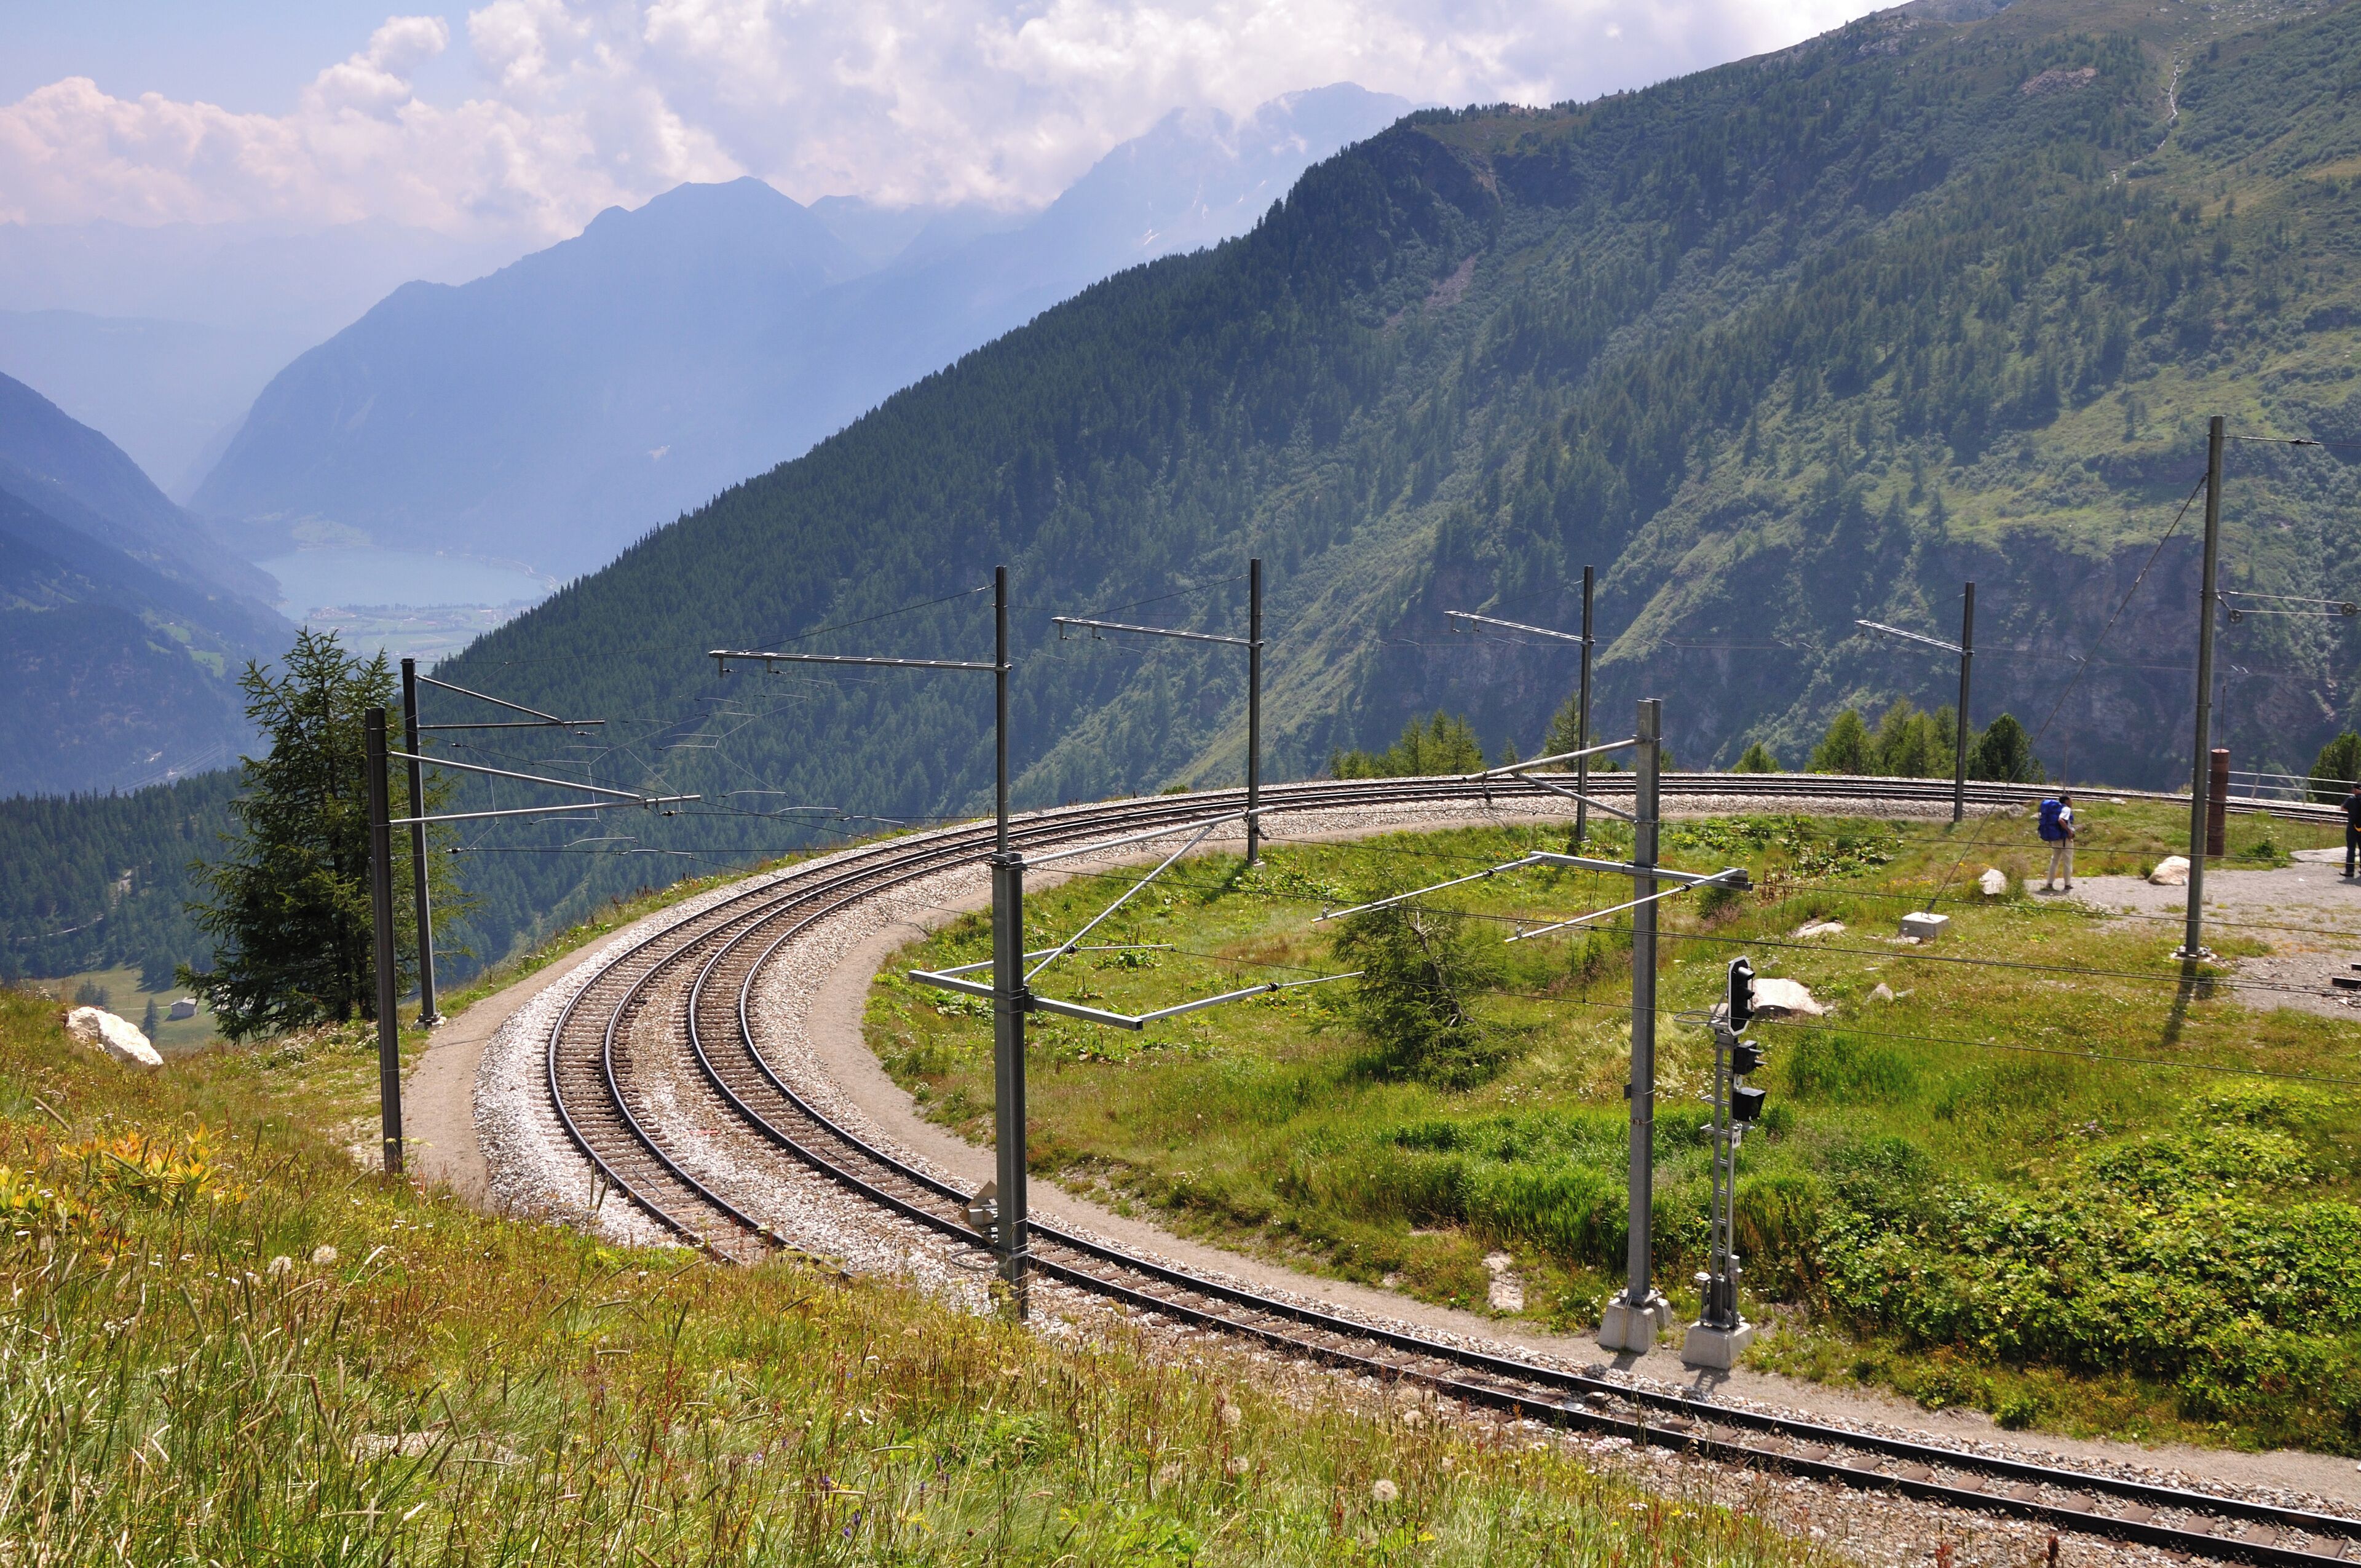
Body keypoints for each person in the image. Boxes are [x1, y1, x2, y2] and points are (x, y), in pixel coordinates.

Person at [2042, 791, 2075, 892]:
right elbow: (2061, 820)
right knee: (2067, 862)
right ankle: (2067, 884)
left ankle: (2049, 884)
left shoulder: (2056, 809)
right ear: (2066, 801)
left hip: (2055, 839)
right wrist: (2069, 831)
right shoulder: (2066, 809)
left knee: (2054, 861)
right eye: (2071, 799)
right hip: (2065, 839)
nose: (2072, 801)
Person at [2344, 781, 2361, 877]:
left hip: (2352, 827)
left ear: (2355, 790)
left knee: (2351, 849)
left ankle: (2350, 871)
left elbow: (2343, 809)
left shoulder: (2351, 799)